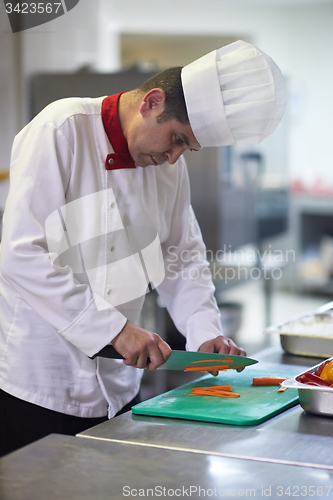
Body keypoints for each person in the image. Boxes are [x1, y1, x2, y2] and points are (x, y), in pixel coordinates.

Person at [0, 40, 287, 456]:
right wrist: (114, 330)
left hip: (119, 387)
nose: (174, 157)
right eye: (175, 138)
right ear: (152, 102)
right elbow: (20, 254)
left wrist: (206, 333)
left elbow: (181, 256)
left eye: (186, 147)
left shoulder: (170, 168)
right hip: (39, 384)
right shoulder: (60, 128)